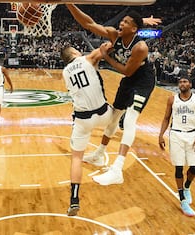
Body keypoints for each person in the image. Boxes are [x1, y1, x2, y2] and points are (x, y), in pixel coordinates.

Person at [66, 5, 160, 185]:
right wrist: (69, 3)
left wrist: (105, 55)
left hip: (143, 81)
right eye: (122, 20)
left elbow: (127, 71)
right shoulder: (114, 35)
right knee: (114, 118)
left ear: (133, 29)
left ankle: (118, 169)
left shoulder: (140, 47)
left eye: (126, 22)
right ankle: (99, 155)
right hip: (130, 80)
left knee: (130, 119)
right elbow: (89, 23)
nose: (121, 23)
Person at [61, 45, 113, 216]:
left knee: (76, 158)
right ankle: (102, 150)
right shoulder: (86, 59)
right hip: (104, 114)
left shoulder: (65, 72)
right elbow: (106, 47)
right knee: (119, 109)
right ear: (75, 53)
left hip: (83, 119)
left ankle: (74, 199)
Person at [158, 76, 195, 217]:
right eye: (180, 82)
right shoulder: (172, 99)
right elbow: (166, 118)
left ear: (190, 84)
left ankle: (187, 187)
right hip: (176, 135)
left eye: (185, 81)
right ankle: (182, 200)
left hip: (192, 136)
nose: (182, 84)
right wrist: (161, 135)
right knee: (178, 168)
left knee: (194, 168)